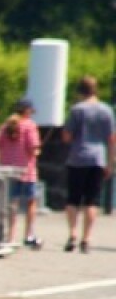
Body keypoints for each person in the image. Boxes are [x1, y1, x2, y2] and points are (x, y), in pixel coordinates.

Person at [60, 75, 116, 252]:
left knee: (73, 199)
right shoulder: (107, 111)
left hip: (77, 158)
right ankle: (87, 238)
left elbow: (67, 136)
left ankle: (73, 234)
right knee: (92, 201)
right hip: (98, 158)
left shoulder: (77, 110)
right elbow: (112, 139)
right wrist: (111, 162)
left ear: (80, 91)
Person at [0, 97, 43, 248]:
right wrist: (38, 150)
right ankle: (28, 234)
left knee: (11, 203)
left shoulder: (6, 125)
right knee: (30, 202)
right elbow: (33, 149)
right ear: (28, 111)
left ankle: (10, 236)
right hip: (26, 171)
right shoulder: (30, 126)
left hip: (8, 171)